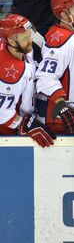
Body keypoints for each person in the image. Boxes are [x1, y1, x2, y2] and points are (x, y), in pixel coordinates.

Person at [34, 0, 74, 135]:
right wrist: (62, 107)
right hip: (61, 120)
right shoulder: (59, 39)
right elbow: (45, 77)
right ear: (63, 14)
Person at [0, 14, 56, 147]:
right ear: (12, 41)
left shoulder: (18, 47)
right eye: (26, 37)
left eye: (30, 35)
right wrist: (25, 125)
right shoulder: (10, 71)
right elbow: (2, 113)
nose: (30, 40)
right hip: (7, 136)